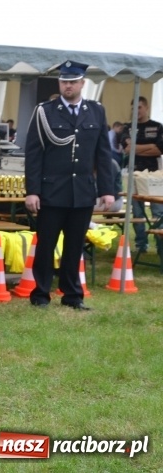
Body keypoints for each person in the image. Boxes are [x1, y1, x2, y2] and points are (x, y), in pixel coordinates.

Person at [24, 60, 114, 310]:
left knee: (75, 247)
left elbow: (103, 154)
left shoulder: (96, 111)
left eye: (73, 81)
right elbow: (34, 154)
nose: (68, 86)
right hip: (52, 191)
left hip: (82, 192)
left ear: (83, 83)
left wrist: (107, 190)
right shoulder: (45, 111)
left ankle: (72, 295)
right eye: (64, 81)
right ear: (59, 83)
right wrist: (32, 191)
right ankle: (41, 293)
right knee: (46, 246)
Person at [119, 96, 163, 254]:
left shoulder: (157, 127)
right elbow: (127, 149)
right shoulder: (128, 127)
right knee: (137, 212)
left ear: (146, 108)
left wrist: (136, 147)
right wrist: (148, 146)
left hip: (154, 175)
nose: (136, 111)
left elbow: (159, 149)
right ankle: (141, 245)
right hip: (134, 174)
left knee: (158, 211)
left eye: (139, 107)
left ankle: (160, 246)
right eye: (133, 108)